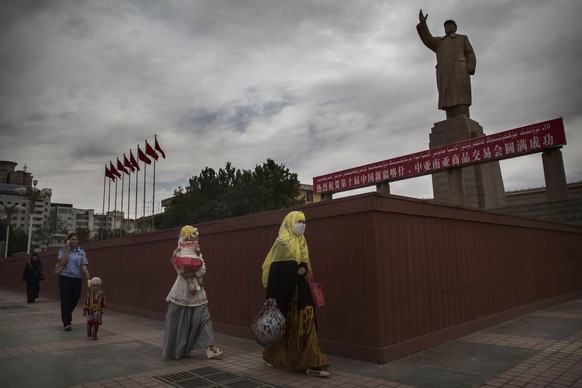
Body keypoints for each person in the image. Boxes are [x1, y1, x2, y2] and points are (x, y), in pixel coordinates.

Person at [261, 210, 330, 377]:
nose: (302, 225)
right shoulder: (282, 242)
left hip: (301, 292)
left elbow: (304, 265)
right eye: (299, 221)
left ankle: (313, 362)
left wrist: (303, 269)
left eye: (304, 222)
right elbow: (274, 270)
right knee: (284, 328)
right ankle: (273, 356)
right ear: (290, 223)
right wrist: (270, 297)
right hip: (284, 294)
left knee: (307, 324)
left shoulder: (302, 242)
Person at [162, 226, 223, 360]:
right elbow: (179, 270)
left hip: (197, 291)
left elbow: (203, 270)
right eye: (195, 234)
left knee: (204, 317)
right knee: (177, 319)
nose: (196, 236)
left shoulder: (197, 252)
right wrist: (192, 272)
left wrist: (189, 273)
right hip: (181, 291)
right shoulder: (178, 252)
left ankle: (210, 347)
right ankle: (176, 349)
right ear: (188, 236)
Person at [416, 9, 476, 119]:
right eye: (446, 26)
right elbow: (427, 39)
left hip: (459, 69)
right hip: (444, 72)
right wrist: (423, 24)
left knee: (461, 95)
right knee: (447, 96)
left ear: (455, 27)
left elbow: (470, 53)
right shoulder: (439, 42)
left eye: (450, 25)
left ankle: (463, 118)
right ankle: (450, 119)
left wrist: (470, 65)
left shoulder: (462, 38)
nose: (448, 27)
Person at [56, 232, 91, 331]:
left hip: (77, 278)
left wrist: (87, 274)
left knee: (75, 298)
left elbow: (83, 264)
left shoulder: (81, 252)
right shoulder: (62, 250)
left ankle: (67, 314)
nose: (74, 241)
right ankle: (66, 322)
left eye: (76, 239)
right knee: (66, 299)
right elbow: (62, 262)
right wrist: (67, 250)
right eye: (72, 239)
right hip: (65, 277)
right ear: (68, 241)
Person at [171, 225, 204, 294]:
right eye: (194, 234)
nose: (195, 236)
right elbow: (198, 252)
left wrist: (173, 257)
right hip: (193, 260)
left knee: (187, 275)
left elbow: (176, 250)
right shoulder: (195, 243)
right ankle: (200, 281)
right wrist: (197, 256)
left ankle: (191, 286)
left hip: (184, 261)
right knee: (198, 269)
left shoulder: (182, 244)